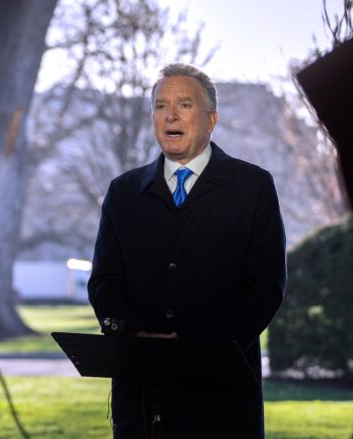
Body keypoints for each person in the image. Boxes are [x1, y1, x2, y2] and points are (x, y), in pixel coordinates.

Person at [87, 63, 287, 438]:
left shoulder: (253, 187)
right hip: (141, 398)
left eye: (184, 104)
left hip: (221, 396)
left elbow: (266, 287)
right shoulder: (123, 192)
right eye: (161, 106)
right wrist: (135, 333)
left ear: (211, 119)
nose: (171, 115)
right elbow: (104, 282)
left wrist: (200, 345)